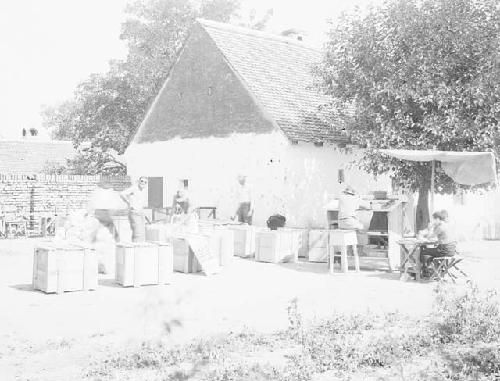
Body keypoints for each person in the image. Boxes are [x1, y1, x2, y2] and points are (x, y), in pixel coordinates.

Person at [120, 176, 148, 242]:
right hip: (134, 212)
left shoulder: (142, 191)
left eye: (145, 182)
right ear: (138, 181)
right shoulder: (134, 189)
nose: (143, 183)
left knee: (142, 233)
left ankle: (140, 248)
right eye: (142, 181)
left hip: (140, 212)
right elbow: (122, 194)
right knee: (137, 233)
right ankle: (136, 249)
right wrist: (129, 202)